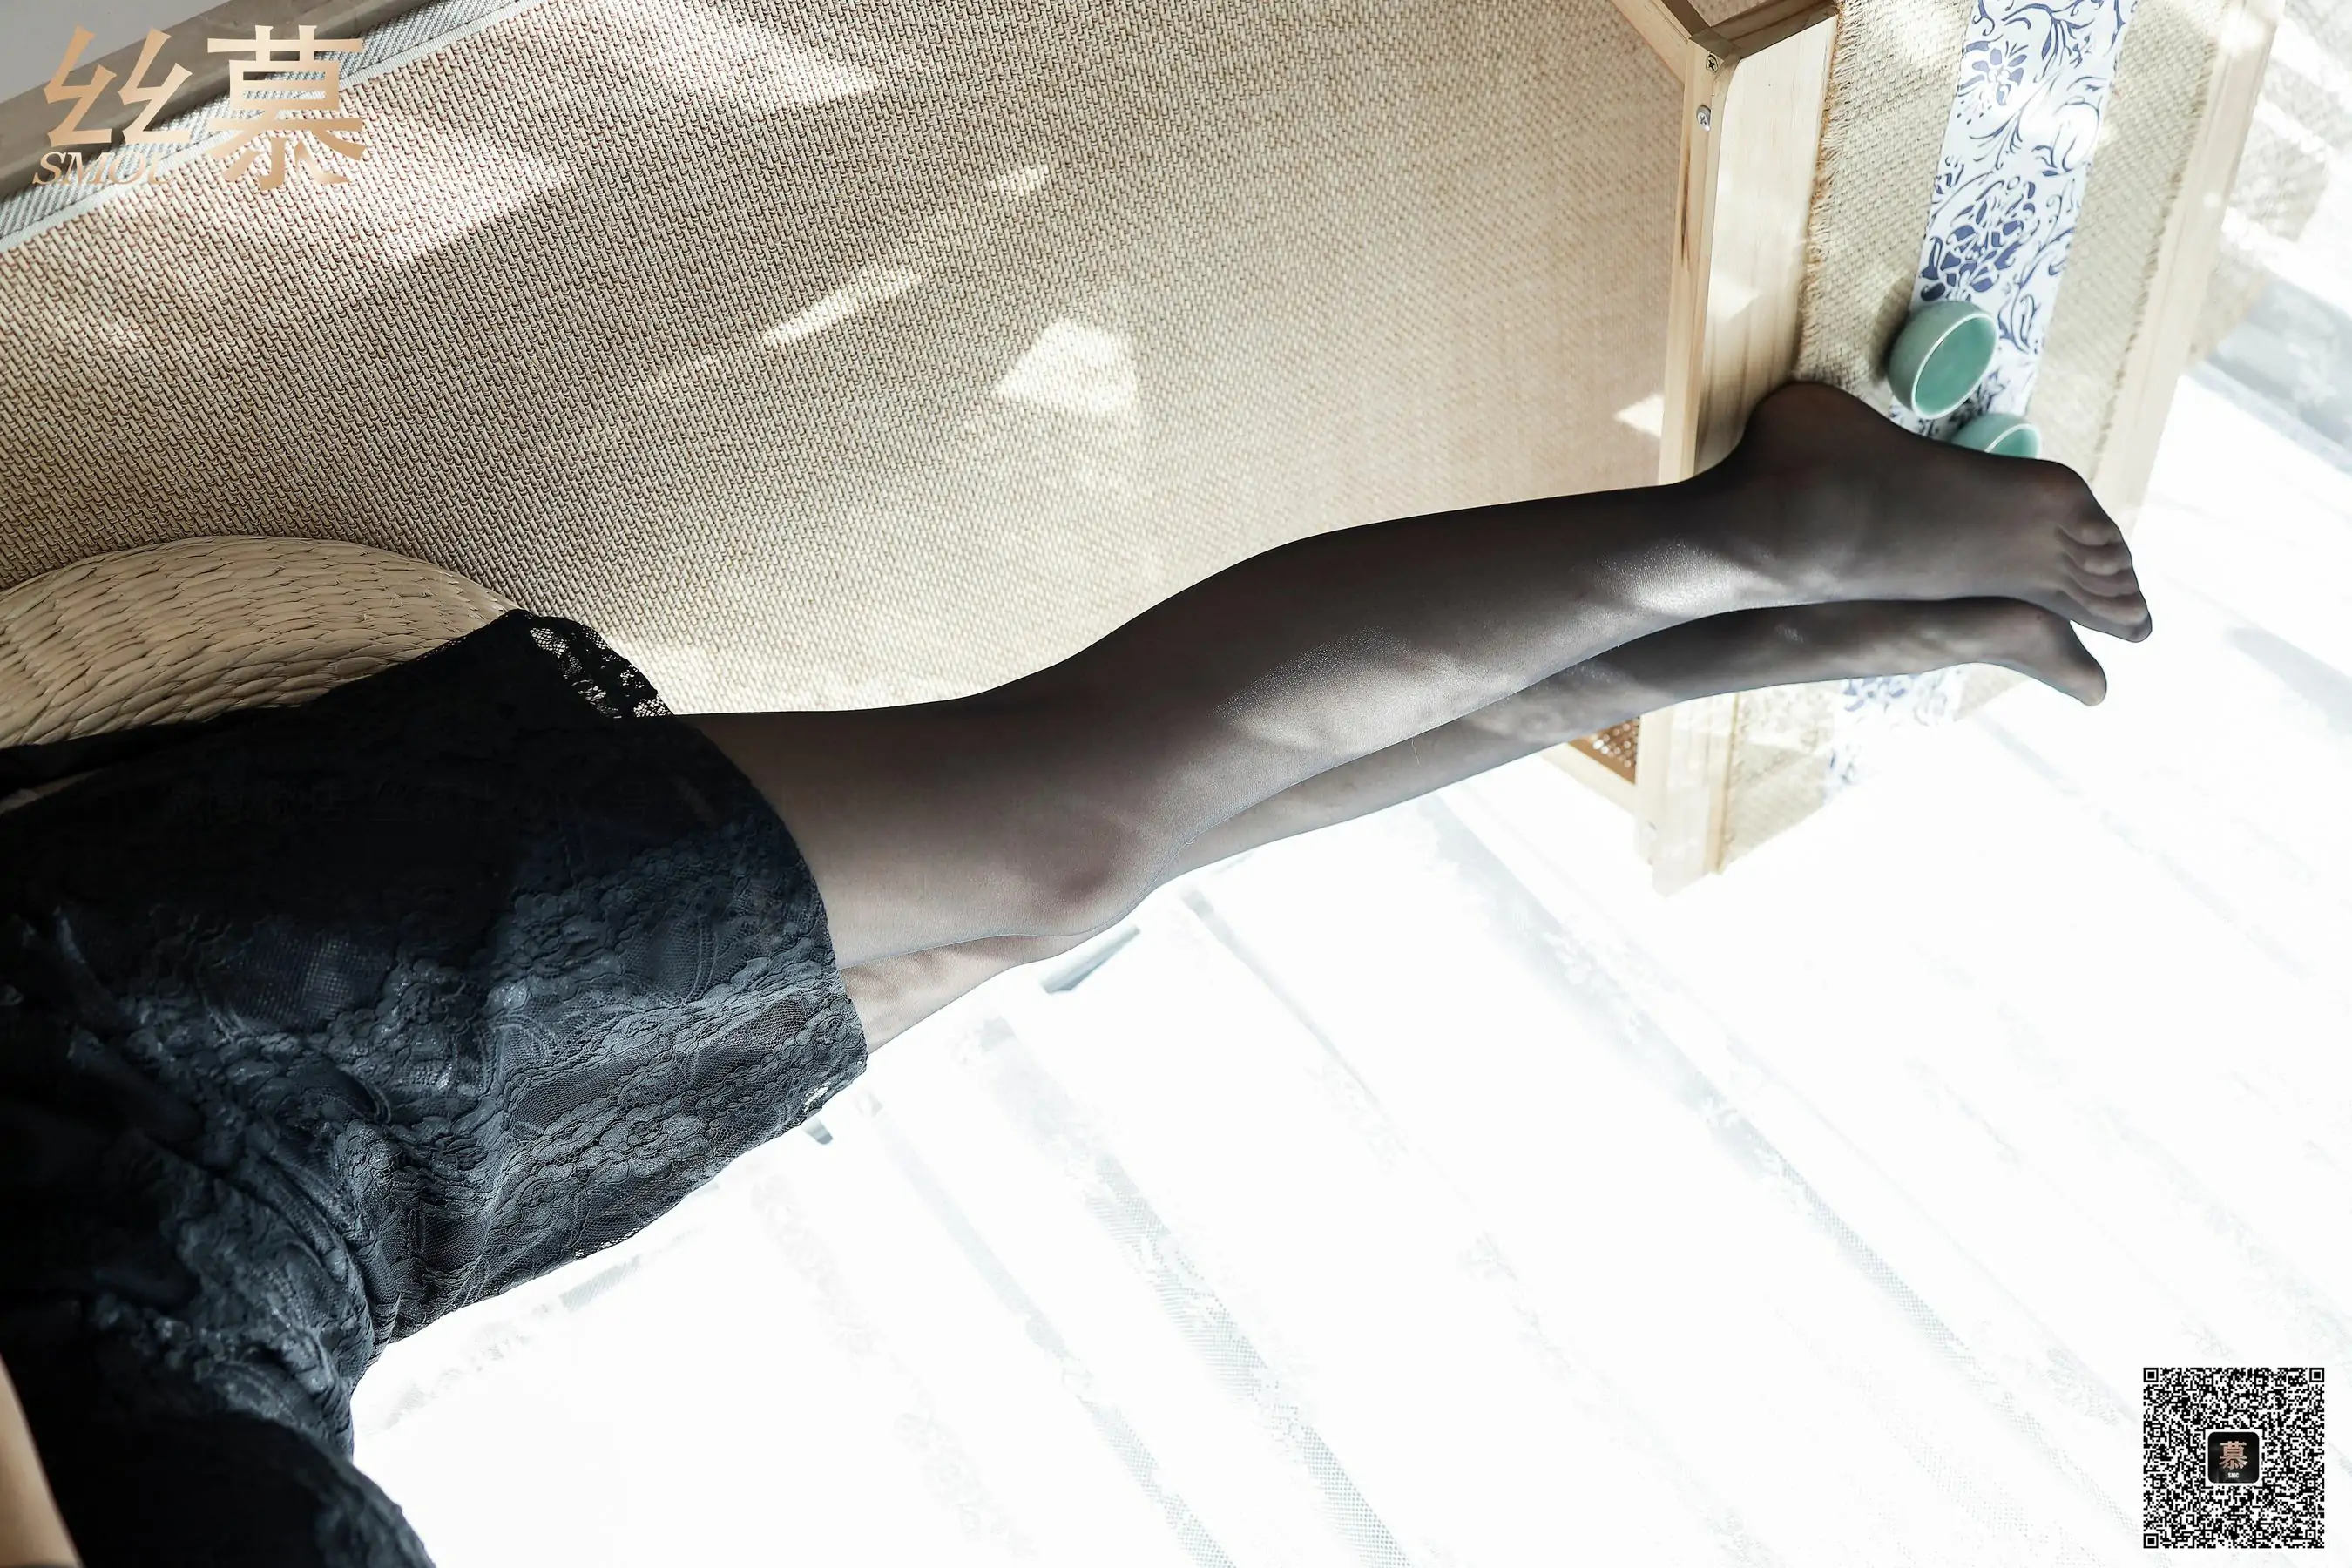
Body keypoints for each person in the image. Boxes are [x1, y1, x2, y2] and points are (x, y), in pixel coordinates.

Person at [0, 383, 2148, 1567]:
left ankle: (1769, 522)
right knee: (1044, 908)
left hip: (137, 1054)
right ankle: (1766, 627)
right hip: (330, 1251)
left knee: (1060, 825)